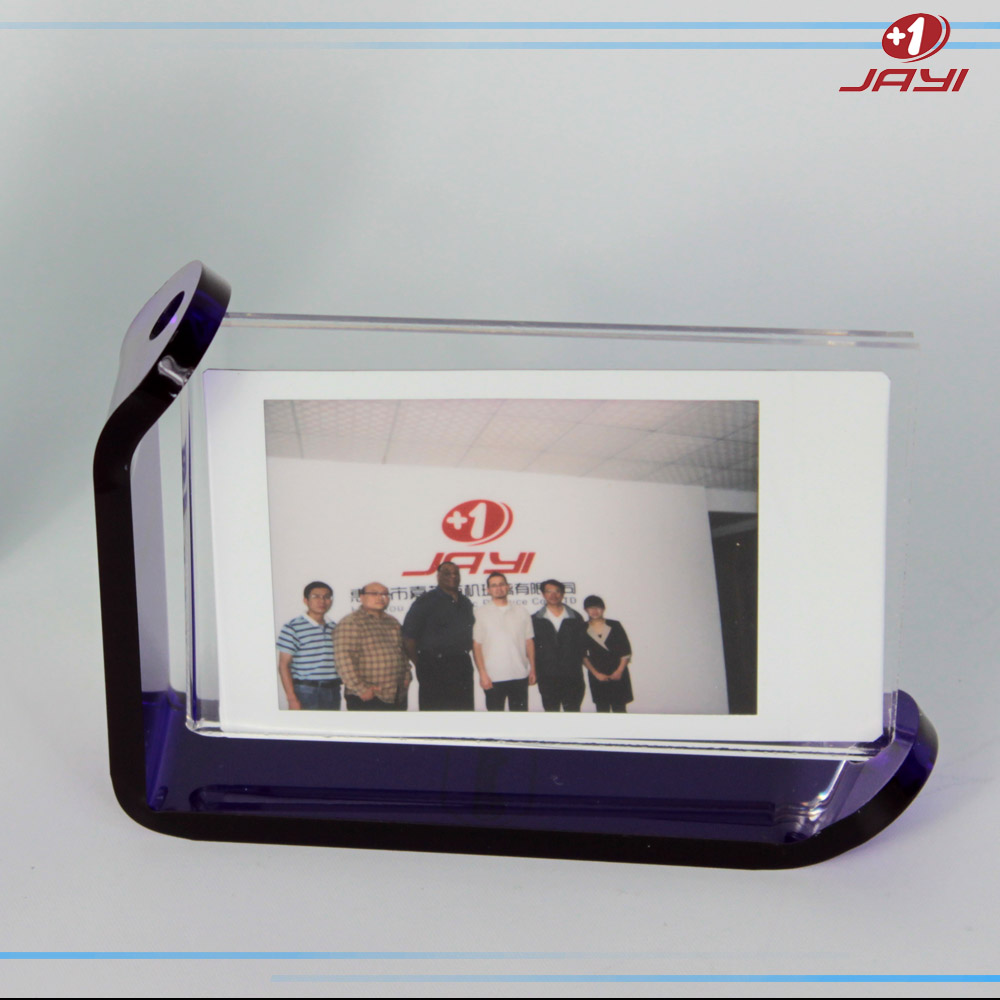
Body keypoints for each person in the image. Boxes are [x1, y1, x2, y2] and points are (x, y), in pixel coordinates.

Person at [402, 561, 476, 711]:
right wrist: (421, 663)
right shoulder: (425, 601)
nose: (453, 577)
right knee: (435, 713)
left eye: (456, 573)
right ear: (438, 576)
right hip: (433, 666)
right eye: (447, 573)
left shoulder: (465, 602)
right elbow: (408, 638)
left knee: (464, 712)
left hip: (462, 664)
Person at [333, 582, 411, 710]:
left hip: (396, 693)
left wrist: (407, 675)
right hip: (368, 696)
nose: (381, 597)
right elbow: (344, 660)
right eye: (374, 593)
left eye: (384, 594)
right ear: (362, 597)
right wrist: (361, 689)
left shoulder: (392, 621)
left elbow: (402, 652)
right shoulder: (351, 622)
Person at [472, 572, 536, 711]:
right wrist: (482, 674)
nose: (498, 588)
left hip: (519, 674)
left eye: (501, 584)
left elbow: (529, 642)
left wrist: (533, 669)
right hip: (493, 676)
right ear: (488, 590)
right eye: (494, 585)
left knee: (520, 719)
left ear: (508, 587)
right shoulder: (480, 613)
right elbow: (477, 646)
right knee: (495, 720)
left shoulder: (521, 611)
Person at [276, 581, 340, 710]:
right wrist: (291, 698)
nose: (322, 601)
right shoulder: (292, 627)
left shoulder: (335, 628)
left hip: (333, 690)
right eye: (316, 596)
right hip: (306, 692)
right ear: (306, 600)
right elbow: (283, 665)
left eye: (326, 597)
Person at [531, 579, 587, 712]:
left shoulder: (575, 617)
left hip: (572, 676)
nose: (553, 595)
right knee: (551, 713)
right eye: (549, 591)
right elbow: (531, 647)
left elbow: (582, 646)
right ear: (543, 594)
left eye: (557, 591)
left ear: (562, 594)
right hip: (547, 676)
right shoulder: (535, 619)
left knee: (573, 712)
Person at [581, 595, 634, 713]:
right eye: (591, 608)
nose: (594, 611)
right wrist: (596, 674)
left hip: (618, 672)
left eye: (598, 607)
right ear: (586, 610)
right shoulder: (582, 628)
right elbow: (582, 655)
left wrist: (619, 671)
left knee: (620, 709)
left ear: (603, 608)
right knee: (602, 709)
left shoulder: (615, 625)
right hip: (597, 673)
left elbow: (626, 651)